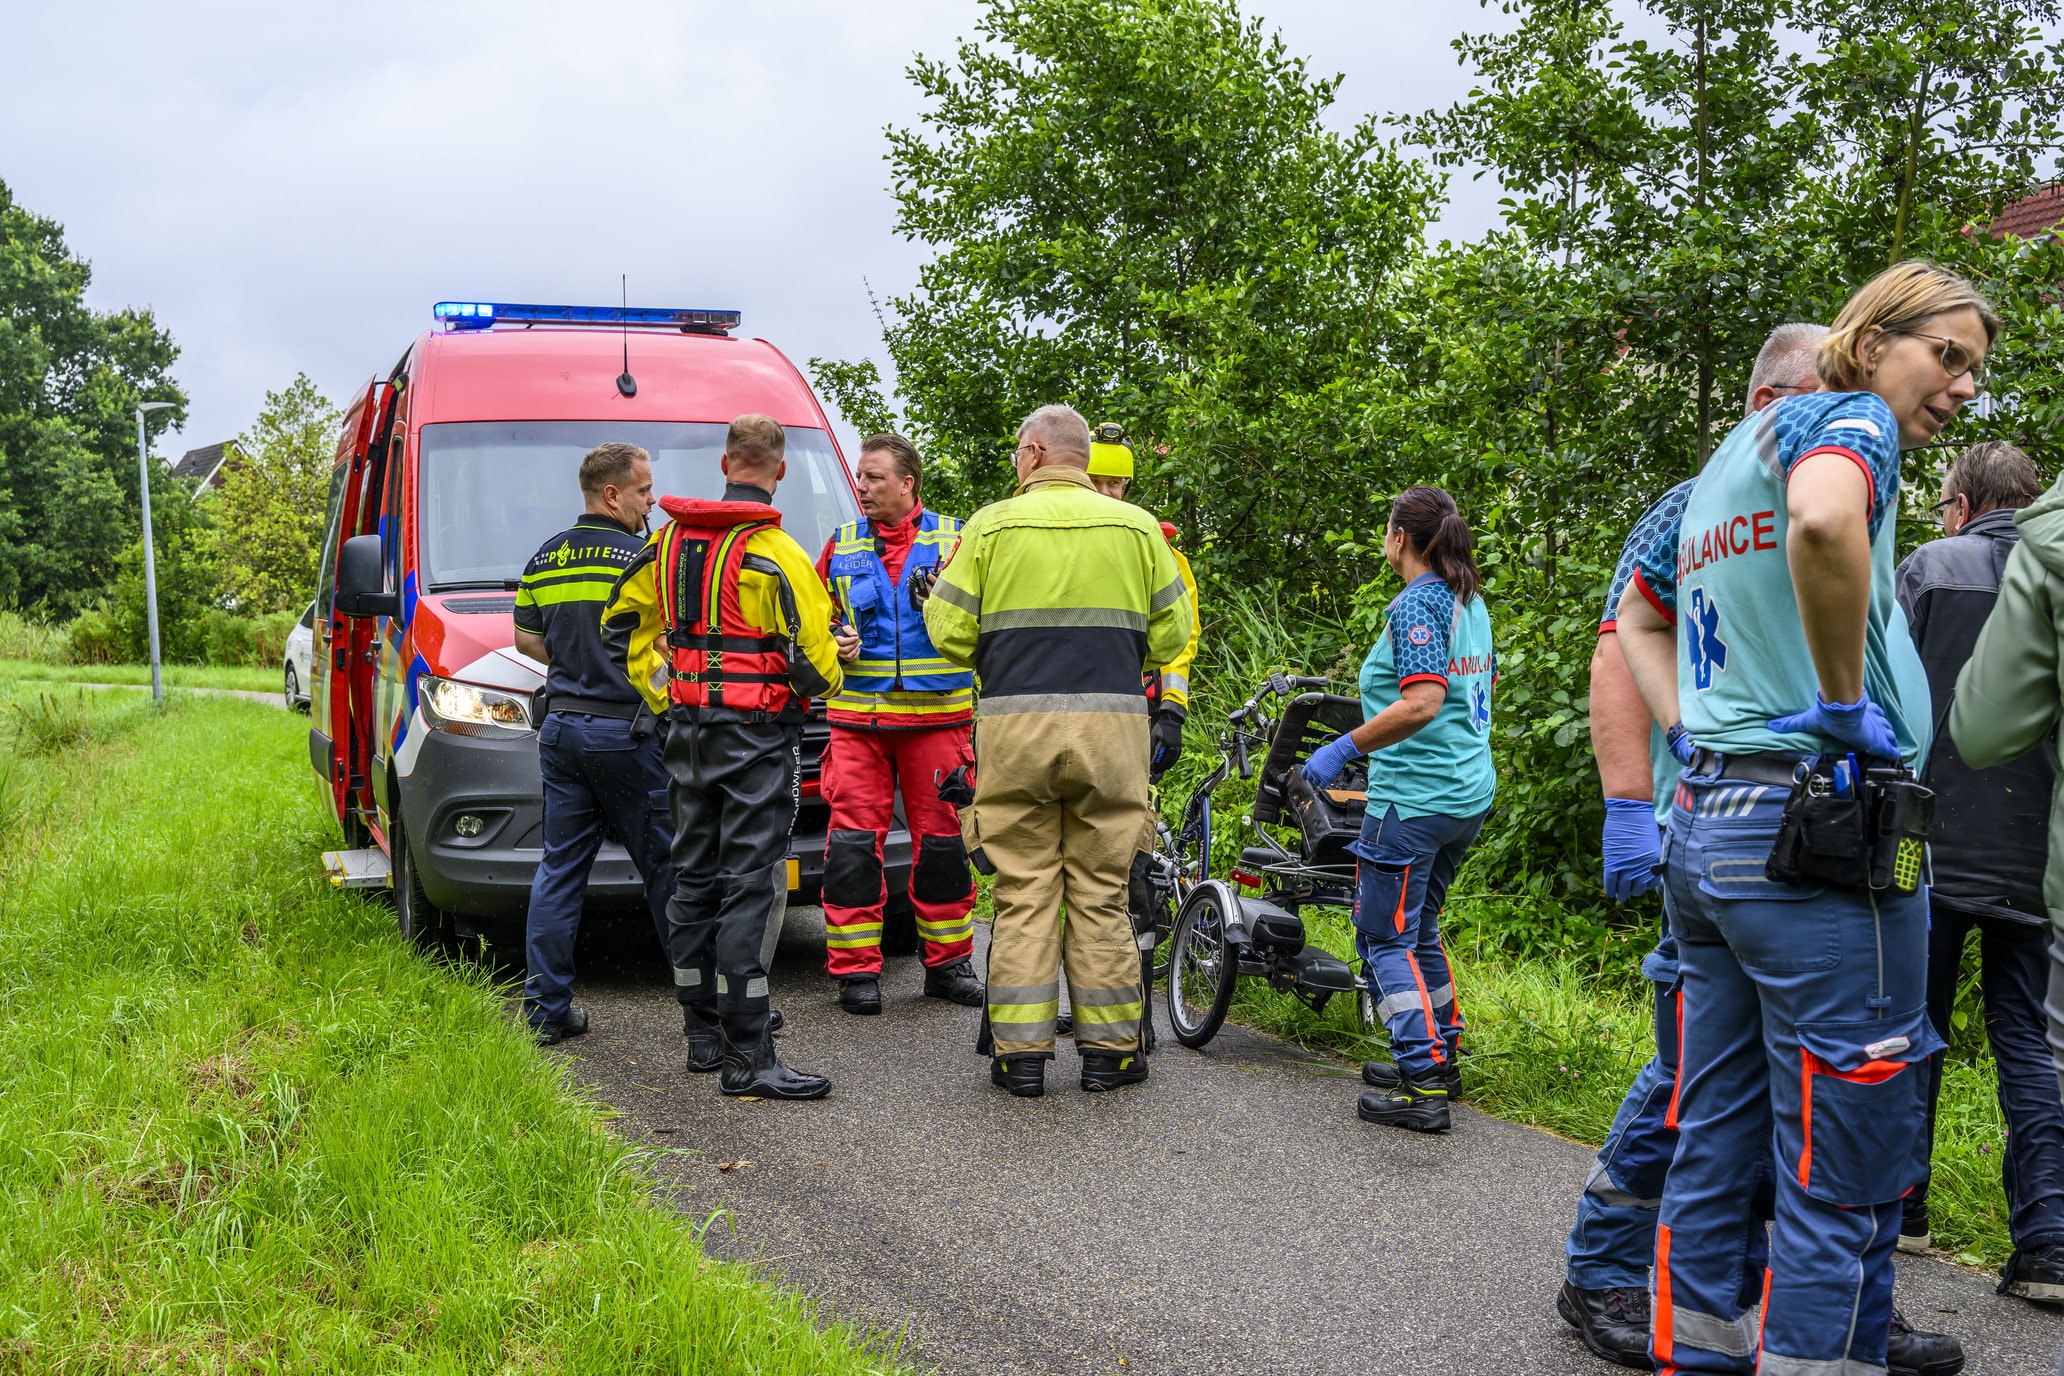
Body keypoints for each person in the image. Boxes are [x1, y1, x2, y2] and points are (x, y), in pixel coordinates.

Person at [1560, 325, 1962, 1375]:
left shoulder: (1709, 490)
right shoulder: (1825, 428)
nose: (1963, 387)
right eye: (1953, 359)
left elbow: (1640, 623)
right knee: (1810, 1129)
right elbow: (1636, 626)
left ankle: (1716, 1338)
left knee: (1719, 1117)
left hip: (1721, 820)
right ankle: (1616, 1269)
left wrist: (1689, 742)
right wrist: (1635, 793)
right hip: (1804, 825)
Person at [922, 403, 1193, 1098]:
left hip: (1017, 730)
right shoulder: (1136, 529)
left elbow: (948, 632)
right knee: (1102, 893)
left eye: (1019, 452)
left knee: (1023, 895)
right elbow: (1171, 637)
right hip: (1113, 731)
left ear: (1036, 452)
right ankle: (1109, 1056)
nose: (1017, 463)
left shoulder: (990, 525)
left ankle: (1021, 1058)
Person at [602, 413, 844, 1100]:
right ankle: (749, 1056)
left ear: (724, 464)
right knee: (748, 883)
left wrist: (664, 693)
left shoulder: (668, 541)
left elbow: (620, 623)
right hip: (756, 741)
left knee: (694, 878)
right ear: (781, 471)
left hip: (687, 735)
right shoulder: (782, 555)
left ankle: (703, 1037)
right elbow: (814, 665)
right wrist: (825, 676)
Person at [1901, 441, 2064, 1303]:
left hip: (1929, 842)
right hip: (2040, 853)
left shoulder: (1930, 568)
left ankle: (1906, 1210)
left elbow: (1881, 695)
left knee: (1913, 1026)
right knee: (2030, 1042)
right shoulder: (2058, 570)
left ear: (1960, 503)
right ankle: (2047, 1242)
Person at [1300, 485, 1495, 1135]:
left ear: (1400, 539)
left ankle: (1421, 1083)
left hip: (1414, 800)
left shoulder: (1420, 605)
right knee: (1420, 927)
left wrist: (1341, 747)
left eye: (1386, 532)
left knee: (1383, 935)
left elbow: (1422, 702)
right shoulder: (1468, 599)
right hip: (1465, 793)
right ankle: (1443, 1055)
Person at [815, 433, 984, 1015]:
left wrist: (947, 604)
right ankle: (856, 972)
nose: (861, 487)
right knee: (852, 848)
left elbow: (985, 622)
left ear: (908, 483)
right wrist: (834, 642)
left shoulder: (956, 540)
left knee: (942, 847)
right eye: (860, 478)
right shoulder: (839, 546)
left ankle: (949, 965)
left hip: (936, 720)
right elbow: (812, 623)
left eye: (874, 478)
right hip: (858, 723)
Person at [514, 441, 676, 1046]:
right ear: (612, 494)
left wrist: (578, 663)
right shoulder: (648, 557)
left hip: (560, 731)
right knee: (667, 870)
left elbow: (527, 641)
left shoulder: (545, 558)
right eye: (643, 490)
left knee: (559, 870)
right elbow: (672, 642)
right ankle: (705, 1016)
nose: (652, 499)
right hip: (628, 734)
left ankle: (546, 1011)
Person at [1086, 422, 1201, 781]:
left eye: (1115, 484)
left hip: (1133, 708)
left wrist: (1172, 713)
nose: (1106, 493)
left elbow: (1181, 635)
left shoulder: (1155, 548)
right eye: (1096, 482)